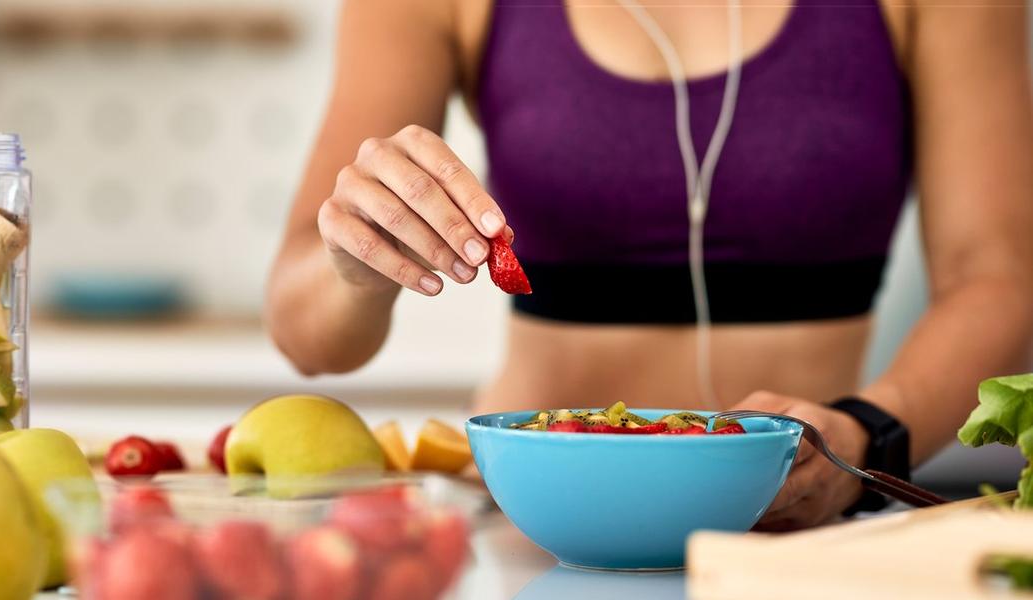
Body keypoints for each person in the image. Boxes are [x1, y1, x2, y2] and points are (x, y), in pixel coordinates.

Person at [266, 0, 1033, 529]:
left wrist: (865, 437)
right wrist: (355, 262)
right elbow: (309, 335)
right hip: (532, 531)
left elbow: (997, 277)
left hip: (802, 530)